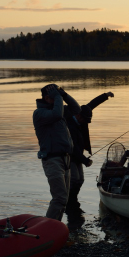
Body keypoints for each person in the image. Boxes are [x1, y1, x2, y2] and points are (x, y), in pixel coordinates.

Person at [64, 91, 115, 225]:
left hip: (79, 155)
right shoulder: (70, 125)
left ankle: (73, 200)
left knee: (81, 179)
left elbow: (92, 104)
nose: (86, 123)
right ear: (79, 116)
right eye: (85, 120)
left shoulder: (83, 113)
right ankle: (69, 202)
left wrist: (105, 95)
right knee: (74, 179)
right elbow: (73, 149)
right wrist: (85, 160)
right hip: (71, 156)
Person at [33, 84, 80, 221]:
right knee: (59, 198)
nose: (58, 99)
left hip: (65, 159)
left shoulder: (59, 109)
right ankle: (48, 228)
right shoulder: (40, 114)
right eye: (54, 96)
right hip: (52, 160)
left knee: (63, 199)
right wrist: (58, 98)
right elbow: (57, 114)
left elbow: (77, 109)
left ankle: (55, 228)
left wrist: (64, 95)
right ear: (47, 98)